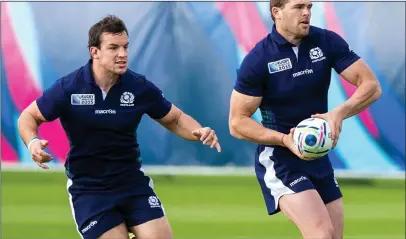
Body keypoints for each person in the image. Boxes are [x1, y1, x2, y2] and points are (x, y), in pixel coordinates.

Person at [17, 15, 221, 239]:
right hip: (90, 189)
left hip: (131, 183)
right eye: (113, 48)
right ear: (94, 51)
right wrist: (33, 142)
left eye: (125, 47)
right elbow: (28, 117)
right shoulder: (69, 87)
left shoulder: (138, 86)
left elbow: (175, 119)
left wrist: (199, 131)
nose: (122, 54)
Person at [228, 0, 382, 238]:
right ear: (276, 12)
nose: (307, 13)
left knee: (333, 236)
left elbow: (371, 85)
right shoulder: (258, 59)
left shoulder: (327, 41)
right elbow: (237, 123)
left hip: (318, 156)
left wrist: (339, 113)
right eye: (299, 7)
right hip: (280, 160)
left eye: (309, 6)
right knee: (320, 233)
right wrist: (284, 140)